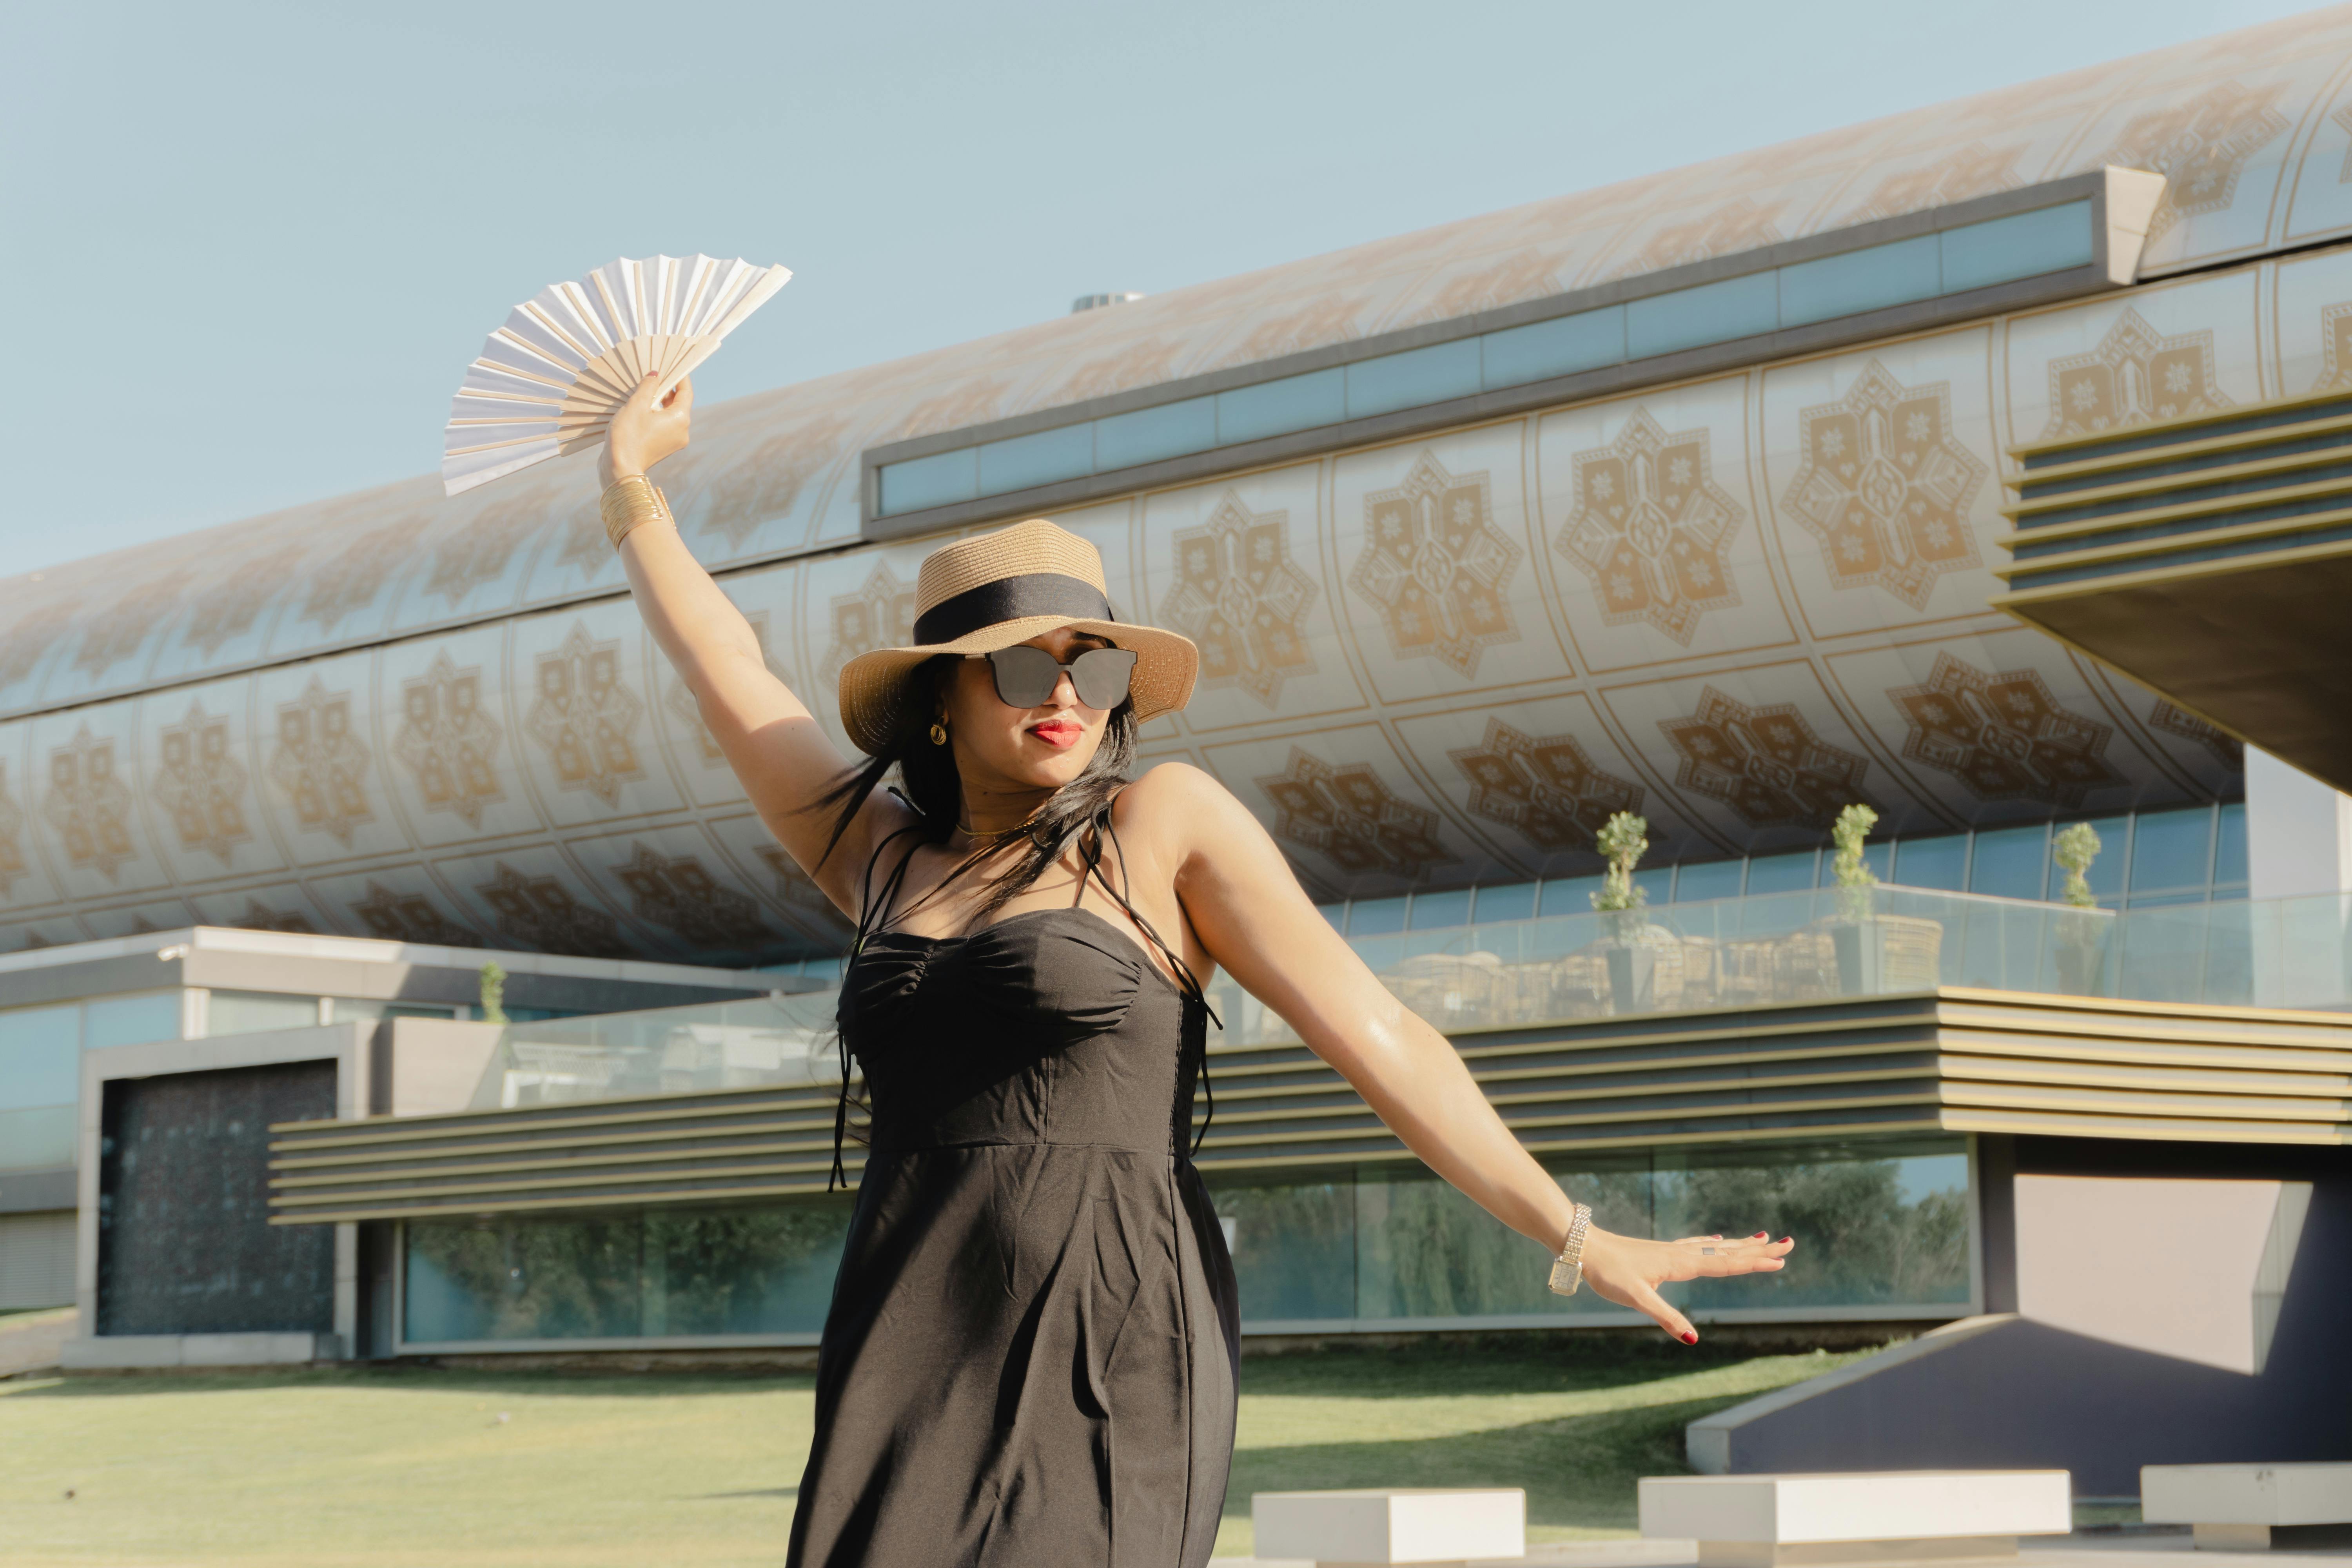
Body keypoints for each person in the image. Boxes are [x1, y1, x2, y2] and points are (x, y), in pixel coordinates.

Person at [595, 372, 1795, 1568]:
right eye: (1021, 668)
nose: (1066, 694)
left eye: (1093, 666)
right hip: (909, 1321)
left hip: (1108, 1322)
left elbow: (1381, 1038)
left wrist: (1577, 1234)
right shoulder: (879, 856)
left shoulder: (1159, 826)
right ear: (940, 703)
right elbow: (726, 666)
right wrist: (630, 486)